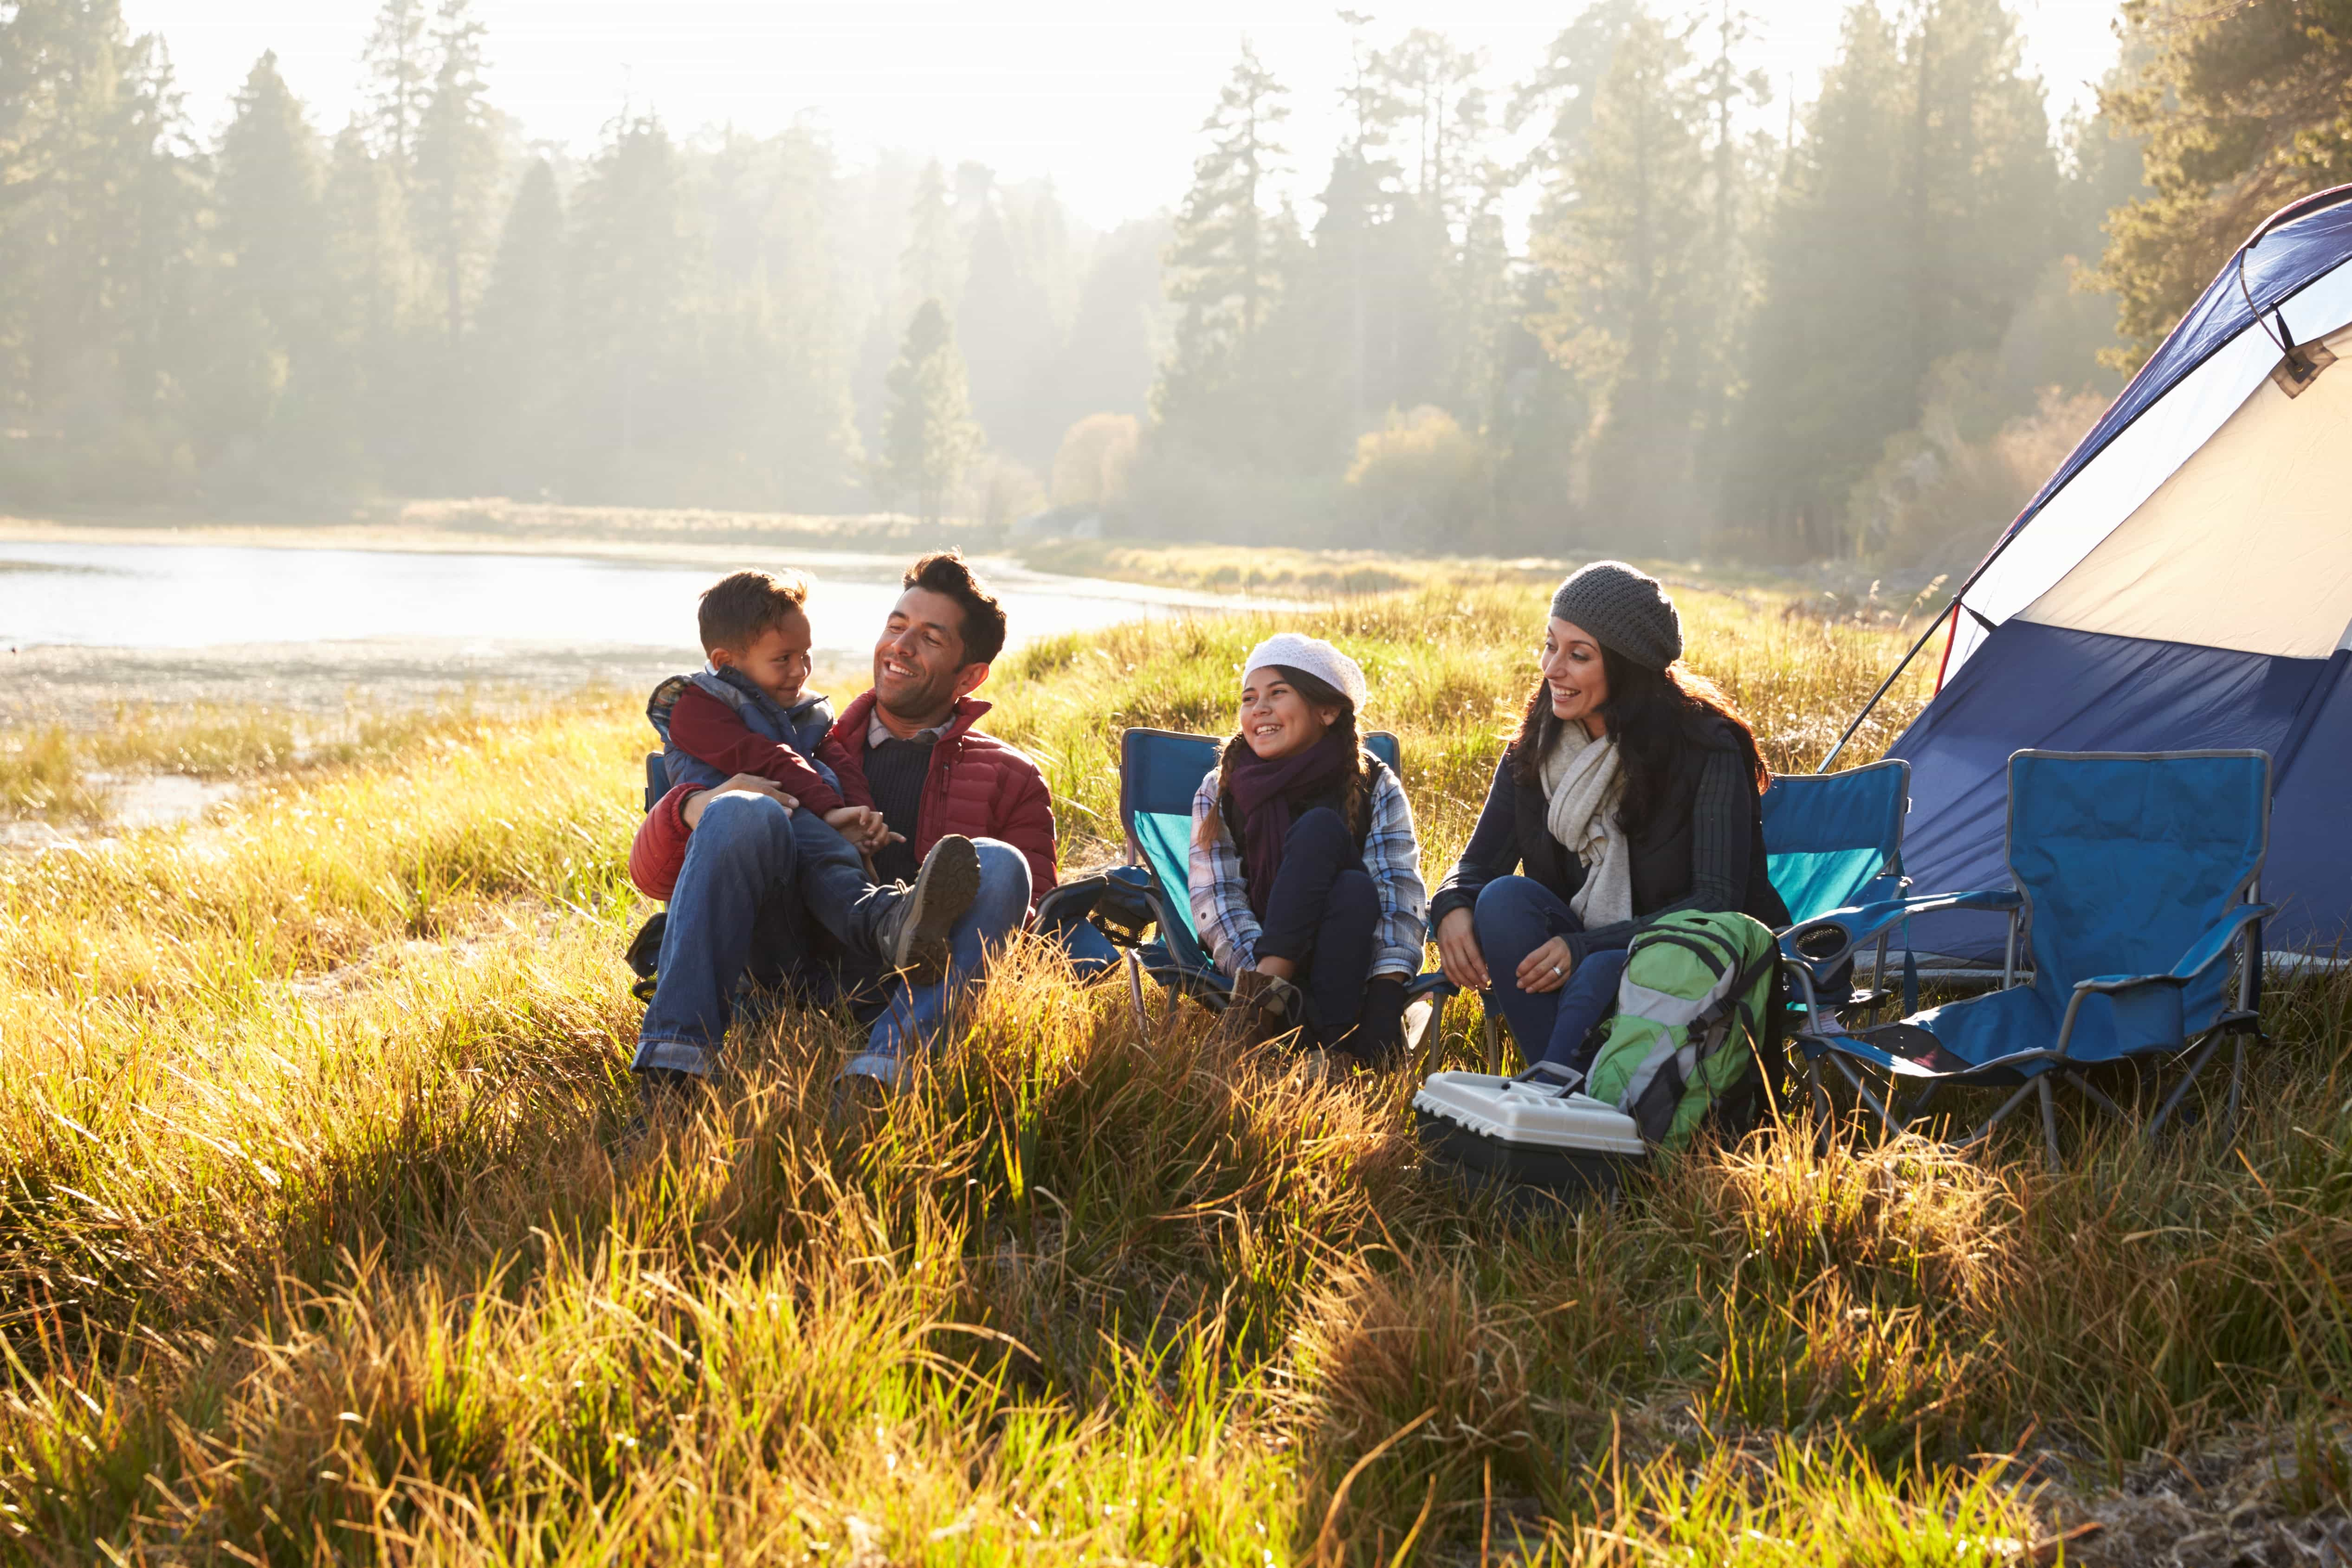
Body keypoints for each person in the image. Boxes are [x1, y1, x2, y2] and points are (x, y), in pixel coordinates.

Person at [629, 551, 1059, 1102]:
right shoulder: (806, 736)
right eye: (896, 626)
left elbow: (1027, 930)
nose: (901, 646)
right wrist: (695, 805)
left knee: (1002, 864)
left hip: (911, 984)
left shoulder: (1013, 777)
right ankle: (672, 1083)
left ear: (971, 675)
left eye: (930, 638)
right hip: (784, 963)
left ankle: (880, 1079)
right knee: (743, 810)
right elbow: (652, 879)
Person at [1429, 561, 1788, 1086]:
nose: (1553, 668)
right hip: (1583, 953)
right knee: (1503, 898)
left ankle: (1557, 1098)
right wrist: (1452, 905)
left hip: (1688, 960)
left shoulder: (1704, 747)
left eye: (1579, 655)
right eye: (1550, 645)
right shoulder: (1537, 744)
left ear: (1627, 667)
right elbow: (1478, 864)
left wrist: (1588, 948)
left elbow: (1717, 899)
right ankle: (1579, 1098)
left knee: (1601, 968)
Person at [1188, 633, 1428, 1072]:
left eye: (1278, 693)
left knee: (1349, 879)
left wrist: (1385, 995)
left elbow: (1397, 895)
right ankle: (1311, 1042)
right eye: (1249, 698)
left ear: (1328, 710)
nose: (1259, 708)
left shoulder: (1372, 783)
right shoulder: (1221, 787)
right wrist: (1262, 979)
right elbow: (1217, 899)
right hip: (1256, 962)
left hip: (1351, 964)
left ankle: (1266, 1032)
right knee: (1335, 856)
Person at [646, 568, 892, 853]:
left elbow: (843, 767)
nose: (800, 671)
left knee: (830, 851)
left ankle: (879, 897)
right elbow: (762, 757)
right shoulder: (693, 707)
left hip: (797, 821)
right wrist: (829, 812)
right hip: (729, 845)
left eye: (805, 655)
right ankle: (877, 900)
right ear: (726, 661)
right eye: (783, 659)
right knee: (823, 848)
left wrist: (864, 819)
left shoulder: (806, 710)